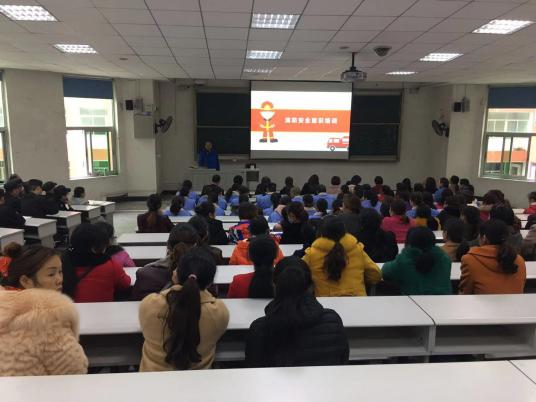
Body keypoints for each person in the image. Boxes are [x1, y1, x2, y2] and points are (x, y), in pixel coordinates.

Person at [245, 257, 348, 367]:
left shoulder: (258, 328)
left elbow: (252, 367)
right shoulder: (334, 321)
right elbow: (343, 361)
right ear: (311, 286)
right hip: (325, 378)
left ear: (274, 285)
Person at [139, 248, 229, 371]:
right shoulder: (219, 312)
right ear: (210, 282)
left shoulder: (149, 304)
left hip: (152, 378)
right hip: (198, 380)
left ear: (176, 274)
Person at [0, 286, 88, 376]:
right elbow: (74, 368)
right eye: (51, 277)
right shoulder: (46, 314)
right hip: (38, 384)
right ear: (25, 281)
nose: (59, 280)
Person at [303, 216, 382, 296]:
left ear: (320, 233)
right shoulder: (357, 250)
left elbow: (298, 277)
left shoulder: (311, 254)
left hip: (324, 302)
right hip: (357, 301)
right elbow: (375, 274)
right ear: (345, 231)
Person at [62, 223, 131, 303]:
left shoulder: (63, 262)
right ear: (95, 248)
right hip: (104, 310)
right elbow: (126, 283)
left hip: (70, 310)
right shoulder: (110, 265)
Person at [132, 224, 199, 301]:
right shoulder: (204, 275)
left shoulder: (145, 274)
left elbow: (136, 303)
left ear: (168, 245)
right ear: (195, 246)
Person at [459, 220, 526, 295]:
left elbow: (465, 292)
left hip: (481, 302)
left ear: (484, 238)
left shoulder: (470, 260)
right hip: (515, 302)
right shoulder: (519, 260)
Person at [381, 227, 452, 295]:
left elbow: (385, 272)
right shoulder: (444, 259)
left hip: (410, 302)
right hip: (443, 302)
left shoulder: (404, 260)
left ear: (410, 243)